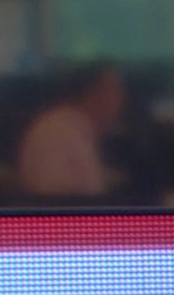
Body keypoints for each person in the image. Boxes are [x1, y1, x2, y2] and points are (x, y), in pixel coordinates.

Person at [15, 63, 124, 198]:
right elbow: (55, 202)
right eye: (115, 90)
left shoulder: (73, 129)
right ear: (96, 93)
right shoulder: (57, 133)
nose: (120, 101)